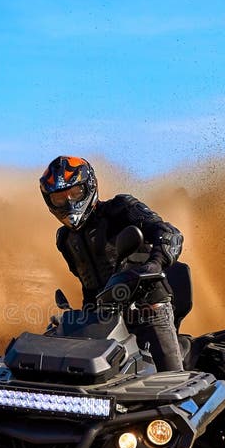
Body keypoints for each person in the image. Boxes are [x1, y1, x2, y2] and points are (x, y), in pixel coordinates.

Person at [40, 155, 185, 371]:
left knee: (173, 380)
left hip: (148, 310)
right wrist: (81, 318)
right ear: (50, 201)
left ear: (90, 187)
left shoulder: (120, 209)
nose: (69, 201)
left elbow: (170, 234)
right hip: (104, 320)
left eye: (75, 192)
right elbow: (88, 284)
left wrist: (155, 263)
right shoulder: (65, 240)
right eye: (60, 198)